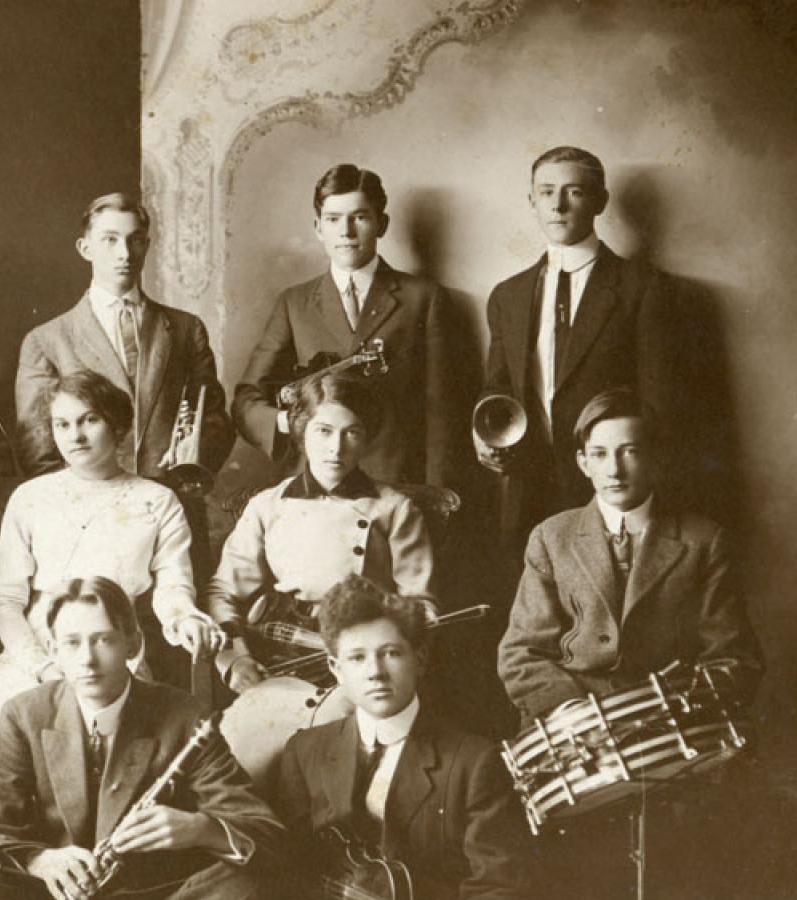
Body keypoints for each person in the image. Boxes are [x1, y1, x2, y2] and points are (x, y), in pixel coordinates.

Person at [0, 372, 224, 797]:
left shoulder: (156, 500)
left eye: (89, 420)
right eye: (63, 425)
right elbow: (6, 602)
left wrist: (185, 620)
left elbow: (174, 586)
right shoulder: (30, 498)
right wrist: (42, 666)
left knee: (114, 744)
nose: (75, 436)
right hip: (39, 649)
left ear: (117, 426)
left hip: (111, 644)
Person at [0, 577, 284, 900]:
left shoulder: (185, 716)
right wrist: (39, 861)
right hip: (55, 891)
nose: (87, 659)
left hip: (157, 892)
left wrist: (200, 828)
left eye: (103, 639)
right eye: (72, 643)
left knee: (249, 885)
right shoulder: (23, 715)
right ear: (53, 649)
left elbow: (265, 832)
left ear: (133, 644)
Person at [498, 387, 762, 723]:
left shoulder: (704, 541)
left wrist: (674, 711)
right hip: (573, 726)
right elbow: (522, 653)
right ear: (583, 463)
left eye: (629, 452)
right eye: (600, 454)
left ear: (655, 458)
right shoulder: (551, 538)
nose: (614, 470)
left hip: (670, 725)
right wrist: (571, 711)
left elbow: (733, 657)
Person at [274, 576, 532, 900]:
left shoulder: (474, 762)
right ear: (335, 668)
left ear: (419, 659)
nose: (376, 672)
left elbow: (497, 887)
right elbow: (289, 873)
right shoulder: (304, 751)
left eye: (391, 653)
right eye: (357, 657)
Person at [14, 192, 233, 571]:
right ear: (85, 248)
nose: (125, 253)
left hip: (175, 516)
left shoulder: (185, 329)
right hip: (89, 525)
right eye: (110, 240)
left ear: (147, 244)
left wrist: (192, 459)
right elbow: (38, 449)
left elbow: (212, 418)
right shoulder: (47, 340)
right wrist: (87, 507)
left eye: (134, 239)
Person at [477, 146, 677, 554]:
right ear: (532, 202)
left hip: (611, 483)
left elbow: (659, 403)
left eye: (574, 192)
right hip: (529, 485)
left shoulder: (643, 288)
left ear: (599, 201)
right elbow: (498, 384)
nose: (558, 204)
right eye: (546, 192)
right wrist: (484, 432)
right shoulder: (508, 295)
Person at [233, 164, 463, 488]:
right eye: (333, 219)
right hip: (314, 485)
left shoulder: (423, 298)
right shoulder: (294, 303)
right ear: (317, 227)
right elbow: (247, 399)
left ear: (381, 224)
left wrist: (436, 495)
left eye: (359, 217)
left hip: (395, 484)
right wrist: (286, 422)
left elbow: (442, 414)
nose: (346, 232)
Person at [206, 374, 436, 693]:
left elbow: (419, 603)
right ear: (301, 434)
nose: (336, 448)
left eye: (351, 433)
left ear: (367, 437)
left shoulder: (395, 509)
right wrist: (236, 659)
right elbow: (223, 593)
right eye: (323, 431)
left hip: (364, 658)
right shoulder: (267, 506)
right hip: (279, 658)